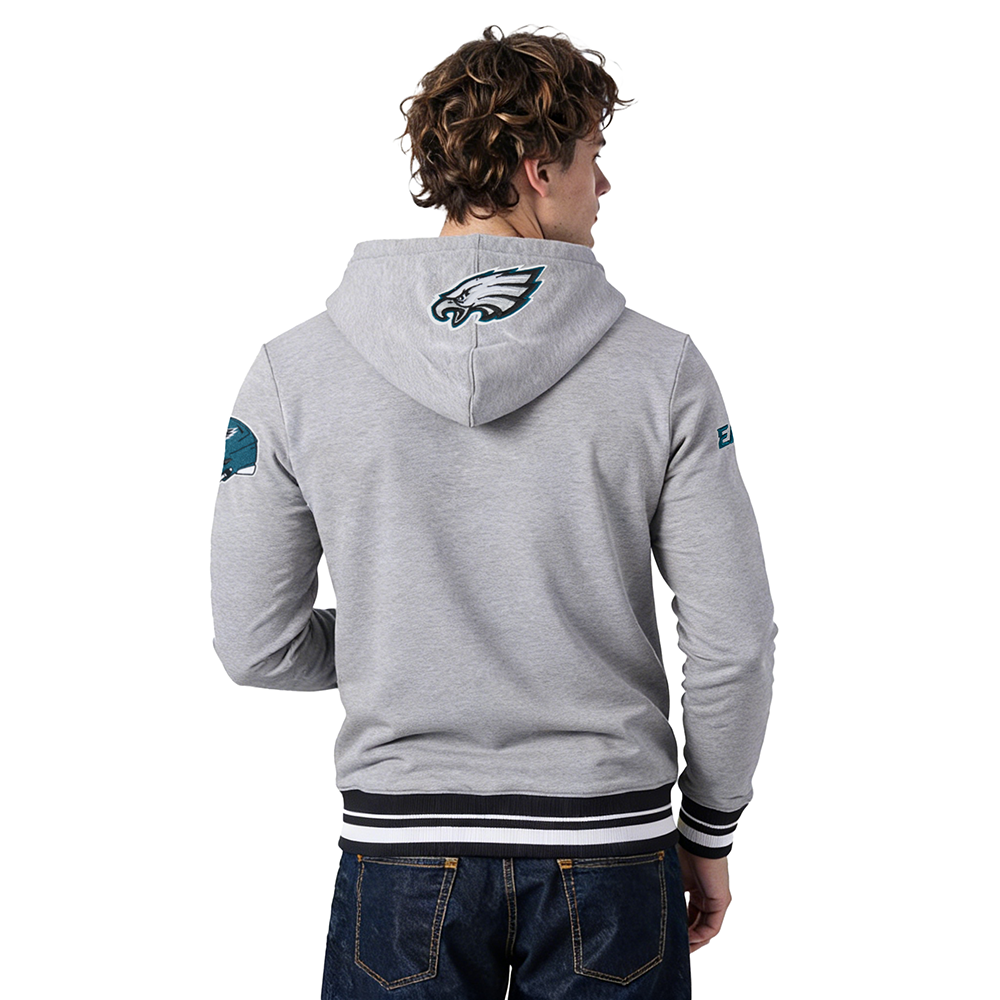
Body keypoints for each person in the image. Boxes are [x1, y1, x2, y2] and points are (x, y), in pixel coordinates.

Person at [210, 24, 778, 1000]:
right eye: (594, 157)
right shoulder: (661, 369)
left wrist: (414, 637)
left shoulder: (293, 371)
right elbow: (734, 639)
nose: (605, 184)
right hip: (610, 847)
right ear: (535, 169)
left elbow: (253, 643)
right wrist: (709, 830)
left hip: (401, 853)